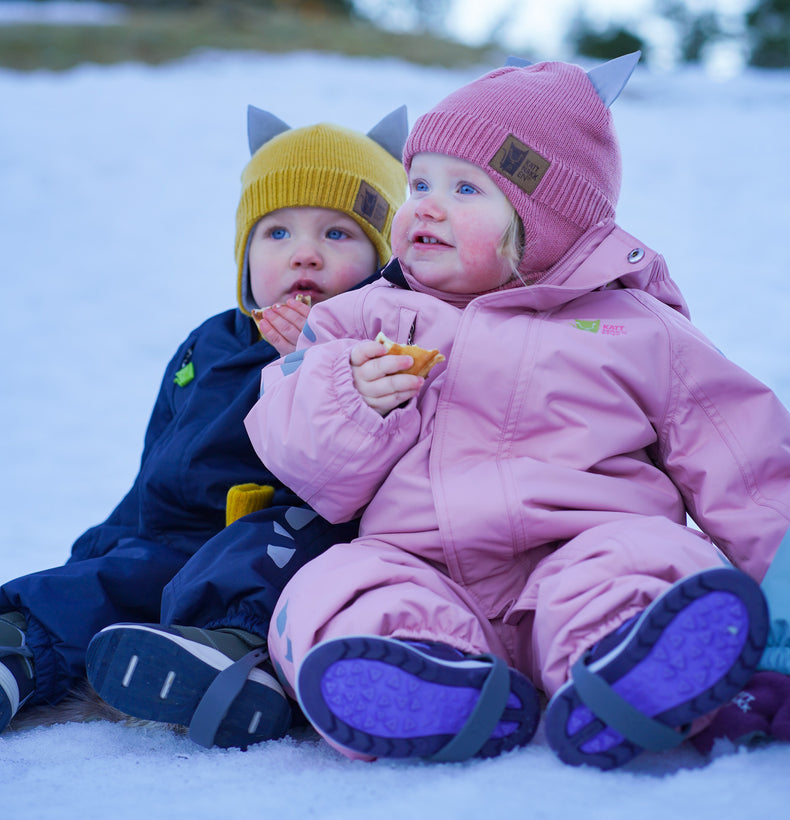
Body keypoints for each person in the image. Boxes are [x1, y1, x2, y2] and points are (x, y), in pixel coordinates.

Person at [239, 53, 790, 770]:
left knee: (654, 562)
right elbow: (297, 455)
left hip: (586, 545)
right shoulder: (363, 318)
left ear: (547, 218)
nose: (426, 206)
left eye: (465, 188)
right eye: (420, 183)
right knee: (333, 587)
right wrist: (350, 398)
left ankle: (626, 668)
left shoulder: (635, 325)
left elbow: (745, 461)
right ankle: (423, 683)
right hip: (420, 562)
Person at [0, 103, 408, 749]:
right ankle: (19, 653)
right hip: (178, 537)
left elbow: (370, 467)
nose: (305, 252)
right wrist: (107, 543)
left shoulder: (376, 349)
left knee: (265, 557)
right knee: (103, 579)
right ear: (245, 254)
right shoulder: (207, 344)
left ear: (383, 256)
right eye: (276, 234)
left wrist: (315, 363)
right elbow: (156, 466)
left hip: (286, 528)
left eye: (338, 234)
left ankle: (231, 658)